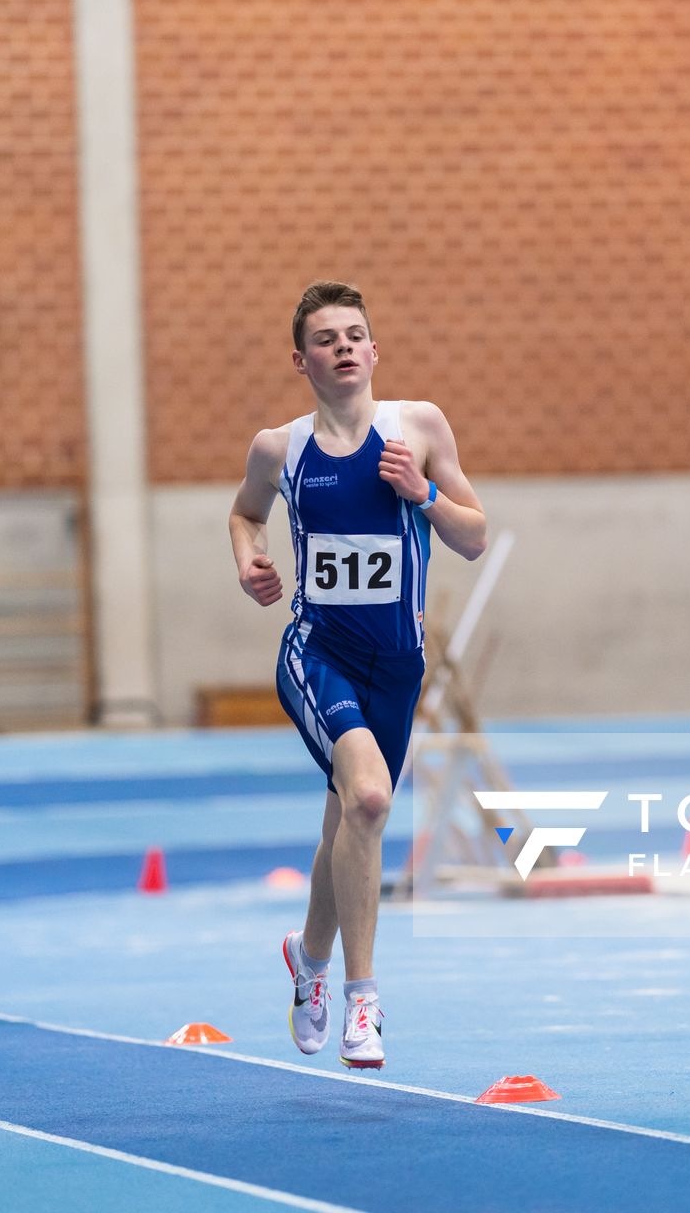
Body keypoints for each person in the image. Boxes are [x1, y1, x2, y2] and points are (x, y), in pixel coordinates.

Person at [228, 281, 487, 1069]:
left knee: (348, 819)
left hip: (397, 664)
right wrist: (250, 562)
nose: (343, 347)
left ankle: (306, 962)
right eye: (326, 338)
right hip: (318, 651)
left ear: (374, 351)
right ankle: (361, 998)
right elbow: (245, 513)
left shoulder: (418, 427)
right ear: (301, 360)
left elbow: (474, 536)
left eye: (355, 335)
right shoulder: (281, 447)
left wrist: (425, 492)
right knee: (370, 798)